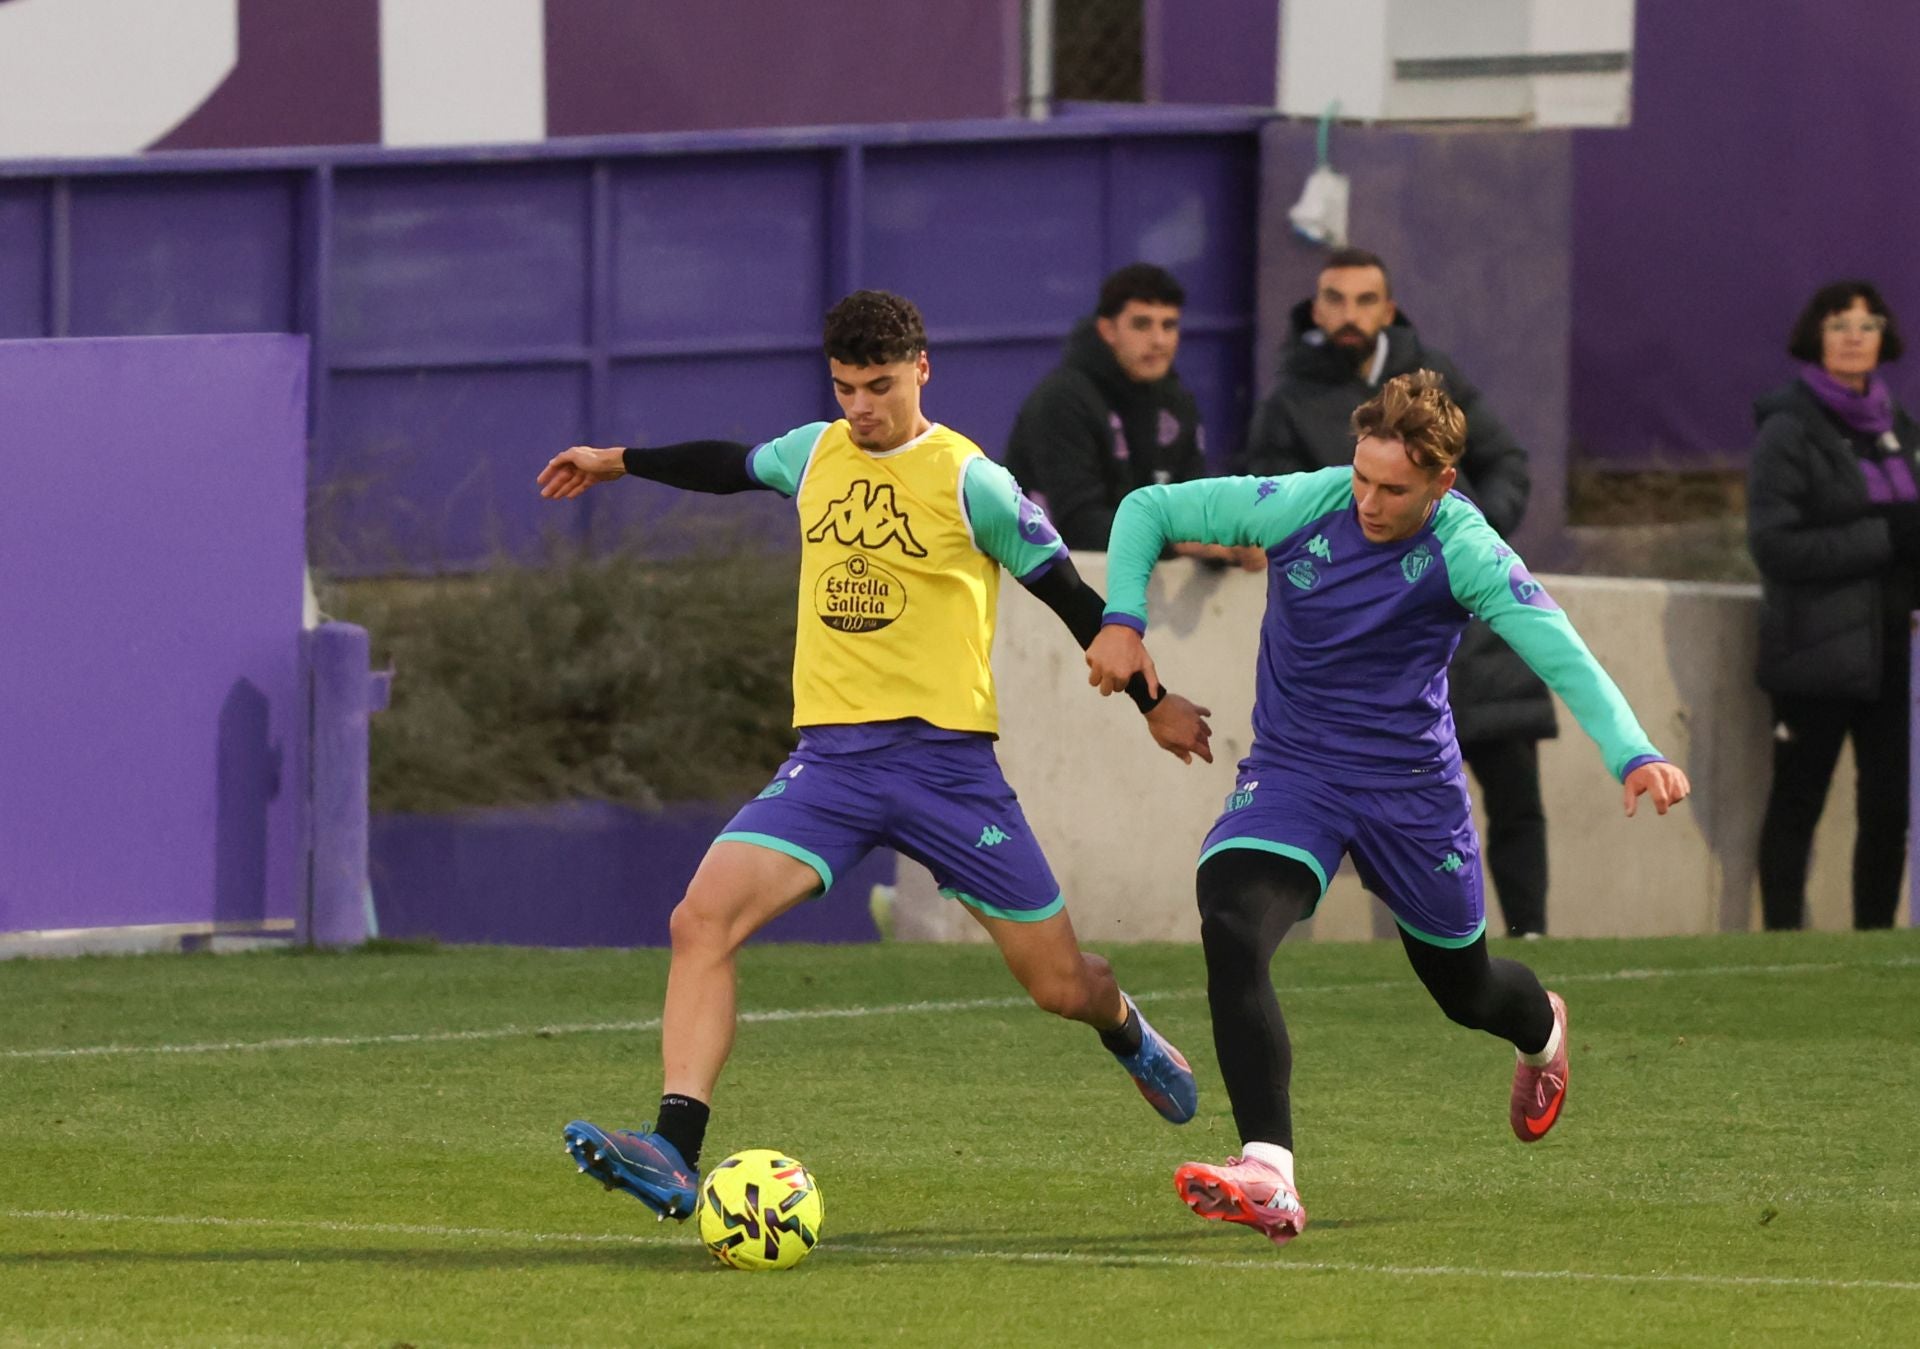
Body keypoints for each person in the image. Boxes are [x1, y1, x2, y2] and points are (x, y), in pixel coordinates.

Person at [535, 289, 1214, 1222]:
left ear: (922, 369)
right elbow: (729, 467)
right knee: (700, 920)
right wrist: (615, 461)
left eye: (880, 386)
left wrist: (1154, 699)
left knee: (1062, 985)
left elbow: (1070, 596)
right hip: (833, 767)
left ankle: (1128, 1029)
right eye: (847, 386)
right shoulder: (812, 451)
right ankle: (672, 1146)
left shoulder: (971, 479)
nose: (861, 407)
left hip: (947, 770)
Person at [1085, 370, 1692, 1249]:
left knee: (1467, 989)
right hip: (1295, 774)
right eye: (1362, 476)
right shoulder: (1303, 502)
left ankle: (1543, 1030)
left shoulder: (1467, 549)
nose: (1368, 500)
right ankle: (1269, 1167)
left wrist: (1632, 749)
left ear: (1443, 484)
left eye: (1393, 488)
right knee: (1230, 918)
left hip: (1412, 793)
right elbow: (1146, 508)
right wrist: (1124, 617)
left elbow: (1559, 651)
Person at [1241, 248, 1556, 936]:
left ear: (1388, 308)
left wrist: (1465, 541)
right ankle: (1419, 940)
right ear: (1317, 309)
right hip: (1373, 636)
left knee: (1514, 791)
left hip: (1470, 630)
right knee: (1383, 811)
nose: (1349, 315)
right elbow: (1275, 504)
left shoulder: (1435, 383)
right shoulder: (1290, 401)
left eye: (1364, 300)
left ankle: (1532, 933)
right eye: (1335, 299)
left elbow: (1507, 461)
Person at [1748, 280, 1920, 931]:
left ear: (1885, 337)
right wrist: (1886, 534)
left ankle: (1872, 943)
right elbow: (1775, 545)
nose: (1854, 335)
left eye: (1867, 323)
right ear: (1816, 337)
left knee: (1889, 810)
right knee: (1798, 802)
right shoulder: (1788, 429)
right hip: (1814, 651)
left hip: (1895, 655)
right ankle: (1781, 945)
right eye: (1839, 323)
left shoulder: (1904, 429)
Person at [1005, 262, 1264, 571]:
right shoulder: (1062, 401)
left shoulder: (1177, 403)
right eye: (1142, 325)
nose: (1159, 340)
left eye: (1169, 325)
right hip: (1046, 593)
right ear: (1107, 330)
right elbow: (1077, 525)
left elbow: (1192, 504)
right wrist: (1177, 539)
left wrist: (1232, 544)